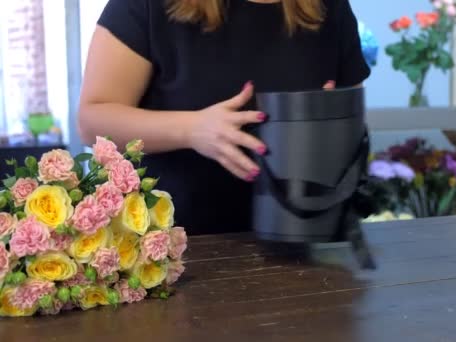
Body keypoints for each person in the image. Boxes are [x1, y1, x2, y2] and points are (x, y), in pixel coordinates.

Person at [78, 0, 371, 235]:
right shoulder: (146, 7)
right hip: (175, 253)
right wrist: (191, 130)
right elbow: (92, 121)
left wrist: (333, 124)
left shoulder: (329, 8)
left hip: (305, 247)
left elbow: (353, 123)